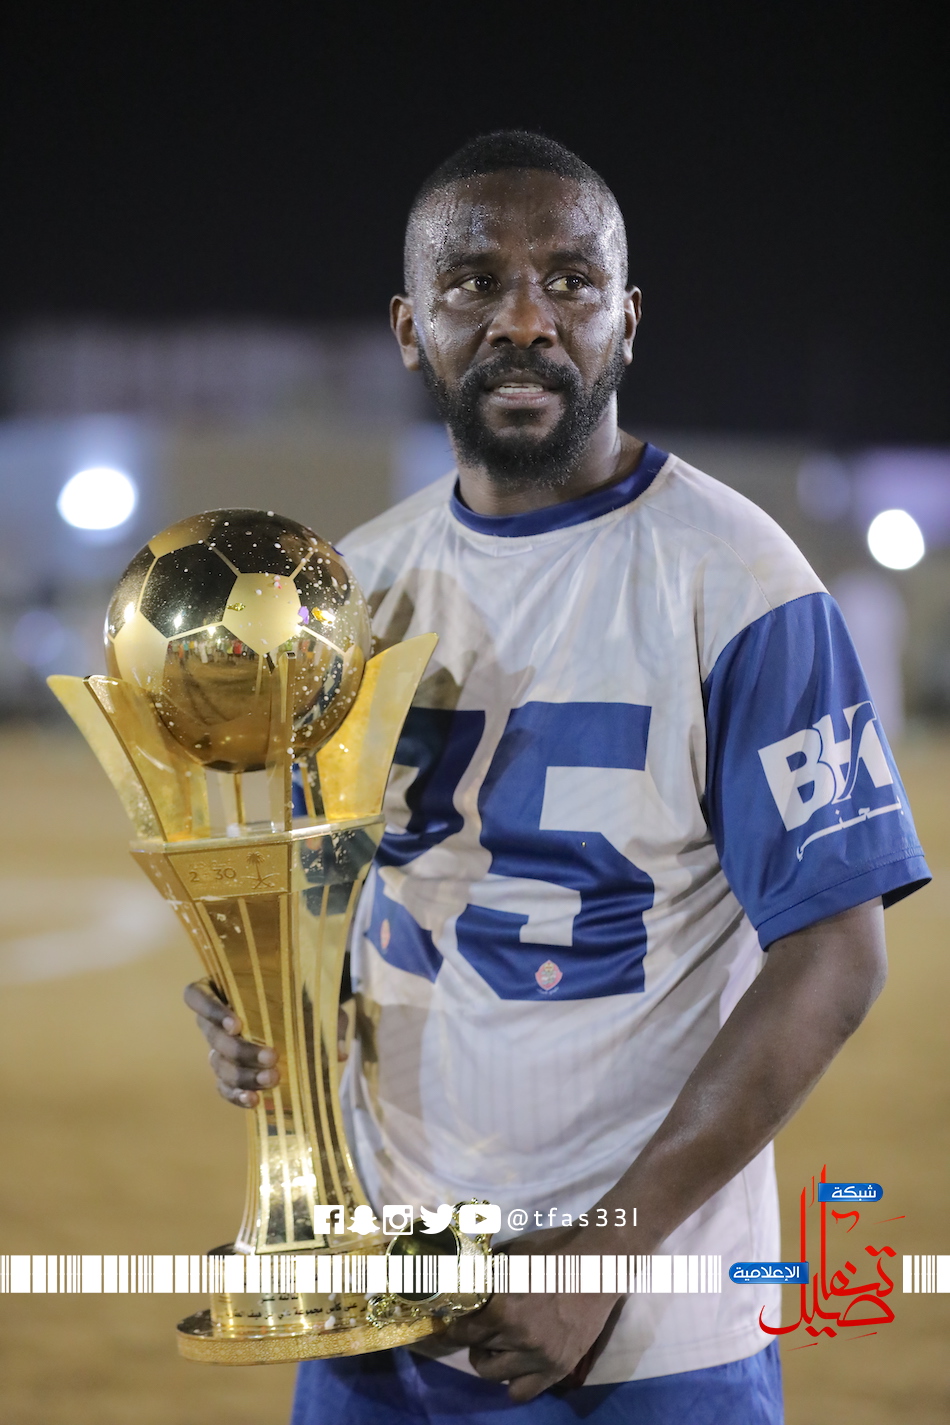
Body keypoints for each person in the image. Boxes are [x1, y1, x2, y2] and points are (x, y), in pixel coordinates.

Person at [186, 131, 929, 1423]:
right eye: (475, 283)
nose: (524, 319)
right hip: (381, 1308)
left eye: (570, 281)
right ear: (411, 329)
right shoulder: (353, 588)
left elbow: (834, 956)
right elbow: (323, 911)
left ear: (625, 321)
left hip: (642, 1336)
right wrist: (256, 1002)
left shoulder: (741, 581)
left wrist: (599, 1255)